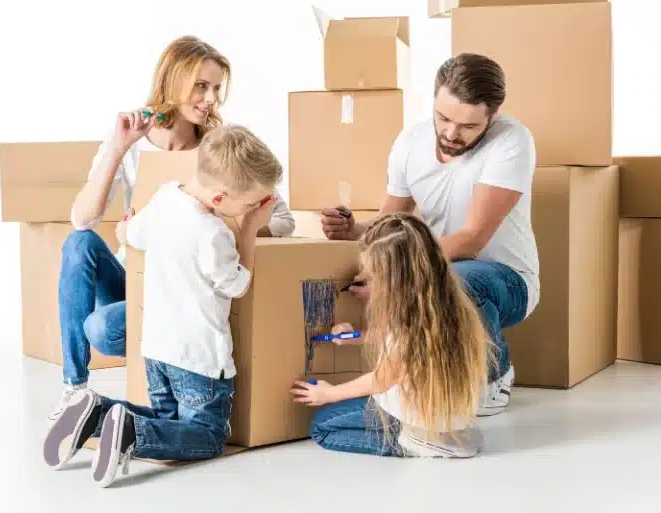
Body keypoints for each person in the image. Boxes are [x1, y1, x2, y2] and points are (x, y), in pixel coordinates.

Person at [53, 36, 296, 423]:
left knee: (100, 328)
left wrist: (214, 229)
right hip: (134, 278)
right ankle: (74, 390)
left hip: (180, 295)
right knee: (78, 242)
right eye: (201, 86)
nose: (211, 99)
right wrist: (118, 149)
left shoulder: (221, 149)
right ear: (172, 83)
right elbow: (83, 220)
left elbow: (282, 219)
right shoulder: (130, 145)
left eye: (216, 88)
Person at [43, 123, 282, 487]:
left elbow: (131, 233)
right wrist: (248, 228)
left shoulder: (165, 197)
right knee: (207, 434)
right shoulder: (214, 234)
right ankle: (131, 434)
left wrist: (123, 230)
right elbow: (237, 285)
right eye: (249, 204)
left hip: (155, 350)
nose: (251, 210)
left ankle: (97, 411)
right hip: (199, 360)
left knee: (166, 418)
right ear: (219, 199)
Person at [320, 53, 539, 416]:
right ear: (434, 100)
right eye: (444, 118)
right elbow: (391, 222)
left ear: (493, 115)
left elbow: (471, 240)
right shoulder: (410, 143)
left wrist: (396, 273)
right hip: (433, 274)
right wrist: (355, 229)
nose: (451, 133)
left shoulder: (512, 140)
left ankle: (493, 374)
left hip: (505, 281)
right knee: (437, 278)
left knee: (461, 277)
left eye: (468, 126)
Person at [291, 213, 492, 457]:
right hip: (448, 415)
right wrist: (362, 336)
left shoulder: (408, 326)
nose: (367, 281)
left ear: (394, 280)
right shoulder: (445, 303)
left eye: (373, 276)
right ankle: (439, 437)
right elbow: (408, 345)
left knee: (322, 426)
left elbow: (382, 379)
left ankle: (412, 443)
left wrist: (329, 393)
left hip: (418, 419)